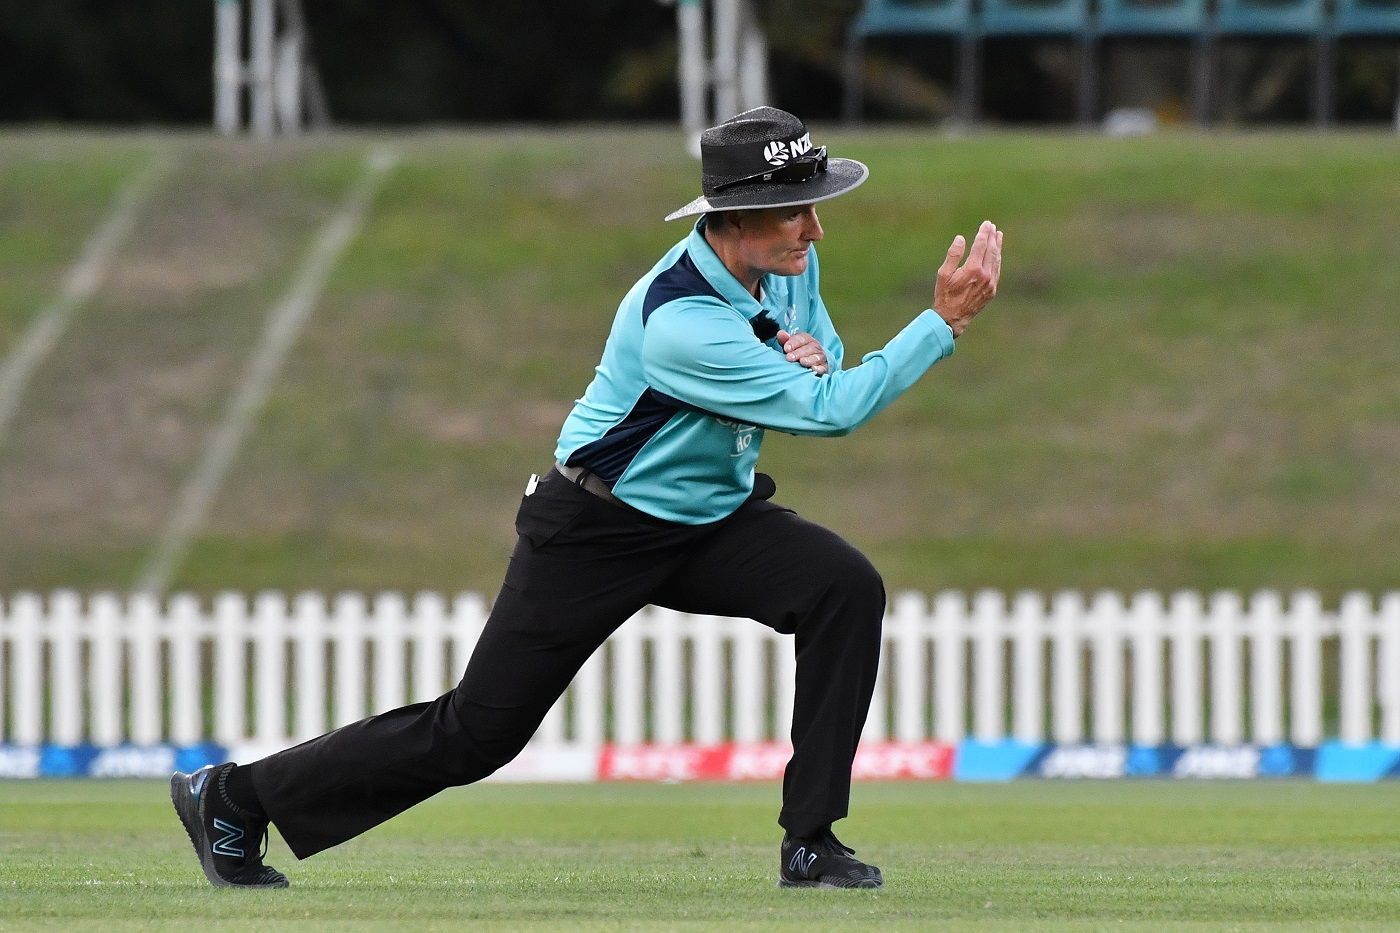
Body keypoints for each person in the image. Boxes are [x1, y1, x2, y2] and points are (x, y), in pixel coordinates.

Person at [171, 106, 1003, 891]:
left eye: (814, 207)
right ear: (733, 217)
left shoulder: (789, 261)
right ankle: (235, 798)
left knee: (843, 586)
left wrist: (808, 350)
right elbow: (833, 410)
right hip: (598, 526)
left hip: (711, 513)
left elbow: (825, 353)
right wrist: (940, 326)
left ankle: (811, 841)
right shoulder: (680, 322)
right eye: (796, 212)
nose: (815, 229)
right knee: (477, 734)